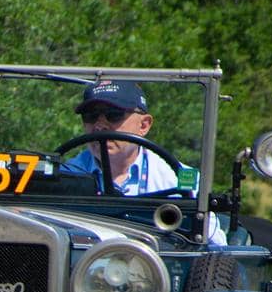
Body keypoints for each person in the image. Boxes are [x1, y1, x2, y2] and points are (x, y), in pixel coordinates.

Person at [66, 79, 225, 243]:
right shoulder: (65, 175)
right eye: (90, 116)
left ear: (144, 125)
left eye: (113, 114)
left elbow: (214, 246)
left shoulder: (178, 178)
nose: (99, 126)